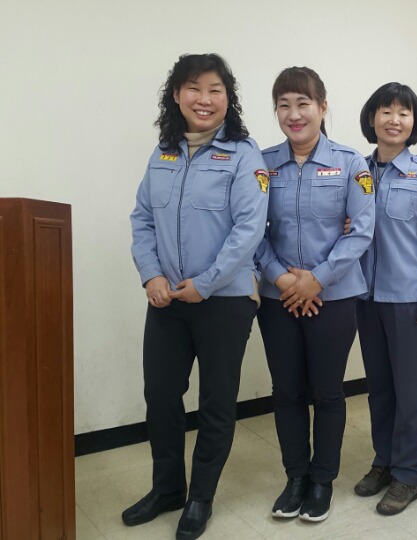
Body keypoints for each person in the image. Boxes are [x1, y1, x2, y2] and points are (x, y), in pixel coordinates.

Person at [126, 53, 268, 540]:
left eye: (215, 90)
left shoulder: (244, 154)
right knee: (161, 397)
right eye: (193, 88)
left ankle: (200, 497)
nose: (204, 99)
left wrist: (205, 283)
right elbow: (142, 219)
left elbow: (249, 229)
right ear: (176, 95)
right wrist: (151, 276)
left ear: (228, 98)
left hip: (225, 299)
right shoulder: (163, 152)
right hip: (167, 298)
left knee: (216, 402)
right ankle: (168, 488)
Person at [255, 66, 375, 522]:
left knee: (326, 391)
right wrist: (283, 279)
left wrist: (316, 279)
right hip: (278, 298)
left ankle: (322, 480)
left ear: (322, 107)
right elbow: (250, 228)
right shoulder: (262, 164)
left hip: (335, 297)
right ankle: (295, 478)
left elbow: (361, 230)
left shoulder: (351, 163)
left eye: (303, 103)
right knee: (286, 391)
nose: (294, 114)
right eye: (283, 105)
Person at [352, 83, 417, 515]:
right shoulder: (356, 169)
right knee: (379, 389)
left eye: (404, 113)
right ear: (372, 118)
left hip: (409, 300)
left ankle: (407, 474)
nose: (394, 120)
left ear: (414, 122)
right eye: (386, 111)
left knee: (410, 393)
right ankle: (384, 461)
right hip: (364, 297)